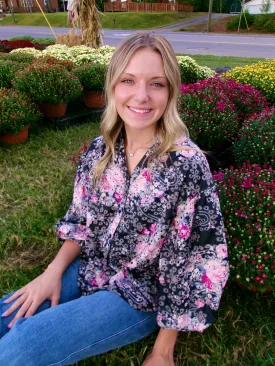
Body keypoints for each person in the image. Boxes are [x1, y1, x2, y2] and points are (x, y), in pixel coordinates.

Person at [0, 32, 229, 366]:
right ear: (113, 87)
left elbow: (198, 256)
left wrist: (163, 351)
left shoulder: (186, 164)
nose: (141, 95)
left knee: (25, 343)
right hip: (92, 266)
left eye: (156, 84)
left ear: (171, 92)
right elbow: (81, 222)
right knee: (7, 314)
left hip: (141, 295)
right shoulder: (99, 151)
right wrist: (52, 272)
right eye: (128, 80)